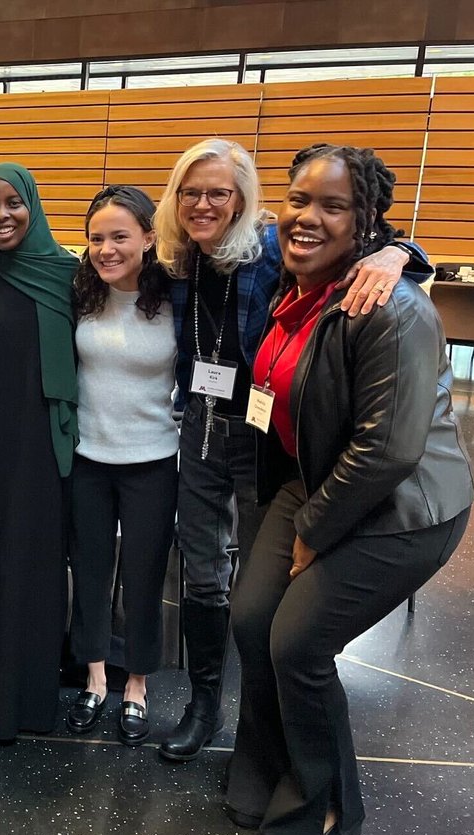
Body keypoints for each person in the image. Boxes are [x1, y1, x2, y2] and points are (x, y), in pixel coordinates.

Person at [226, 143, 473, 835]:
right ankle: (268, 767)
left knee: (297, 642)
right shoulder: (297, 284)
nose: (308, 217)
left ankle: (327, 805)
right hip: (318, 479)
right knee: (251, 619)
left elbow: (389, 453)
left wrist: (312, 532)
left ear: (364, 221)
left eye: (333, 206)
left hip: (401, 505)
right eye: (299, 200)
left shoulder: (389, 308)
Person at [152, 138, 432, 763]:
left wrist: (399, 253)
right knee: (202, 568)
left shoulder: (274, 252)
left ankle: (261, 731)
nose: (203, 204)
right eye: (191, 192)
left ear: (243, 198)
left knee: (259, 588)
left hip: (263, 437)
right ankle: (203, 706)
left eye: (218, 192)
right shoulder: (172, 259)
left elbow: (368, 244)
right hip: (198, 427)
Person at [0, 163, 78, 741]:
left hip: (42, 443)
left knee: (32, 562)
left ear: (34, 204)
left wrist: (398, 253)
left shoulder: (71, 276)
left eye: (13, 203)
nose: (1, 215)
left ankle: (26, 694)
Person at [64, 186, 177, 746]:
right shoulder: (82, 294)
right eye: (96, 238)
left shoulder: (176, 298)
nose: (105, 249)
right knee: (88, 572)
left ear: (150, 238)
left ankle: (136, 682)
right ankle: (94, 676)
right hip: (89, 459)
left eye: (119, 237)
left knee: (142, 576)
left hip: (153, 460)